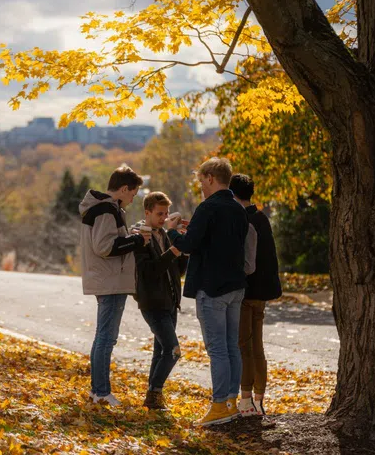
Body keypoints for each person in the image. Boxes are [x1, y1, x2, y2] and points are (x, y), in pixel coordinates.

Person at [164, 157, 248, 426]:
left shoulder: (208, 207)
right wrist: (194, 227)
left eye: (201, 180)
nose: (200, 185)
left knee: (217, 349)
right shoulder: (237, 210)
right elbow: (220, 240)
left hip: (212, 287)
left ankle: (219, 404)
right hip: (235, 286)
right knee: (232, 346)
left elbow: (188, 246)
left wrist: (171, 231)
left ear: (211, 178)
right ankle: (230, 401)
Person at [79, 165, 149, 406]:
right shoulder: (107, 210)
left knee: (103, 337)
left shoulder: (107, 209)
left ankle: (97, 390)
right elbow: (105, 246)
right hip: (110, 281)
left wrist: (133, 238)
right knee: (106, 338)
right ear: (123, 189)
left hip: (109, 279)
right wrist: (137, 240)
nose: (133, 198)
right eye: (133, 193)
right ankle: (101, 392)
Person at [229, 174, 282, 416]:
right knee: (257, 346)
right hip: (262, 292)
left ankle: (246, 399)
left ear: (232, 194)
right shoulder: (262, 218)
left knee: (244, 346)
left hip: (245, 291)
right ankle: (259, 398)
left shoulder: (242, 220)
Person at [133, 192, 188, 410]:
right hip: (152, 303)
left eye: (166, 213)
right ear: (147, 212)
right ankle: (154, 392)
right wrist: (173, 251)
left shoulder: (165, 235)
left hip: (170, 302)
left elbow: (178, 271)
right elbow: (149, 271)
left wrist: (182, 249)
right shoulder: (141, 236)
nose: (163, 218)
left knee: (161, 351)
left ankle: (153, 397)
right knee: (173, 350)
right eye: (159, 213)